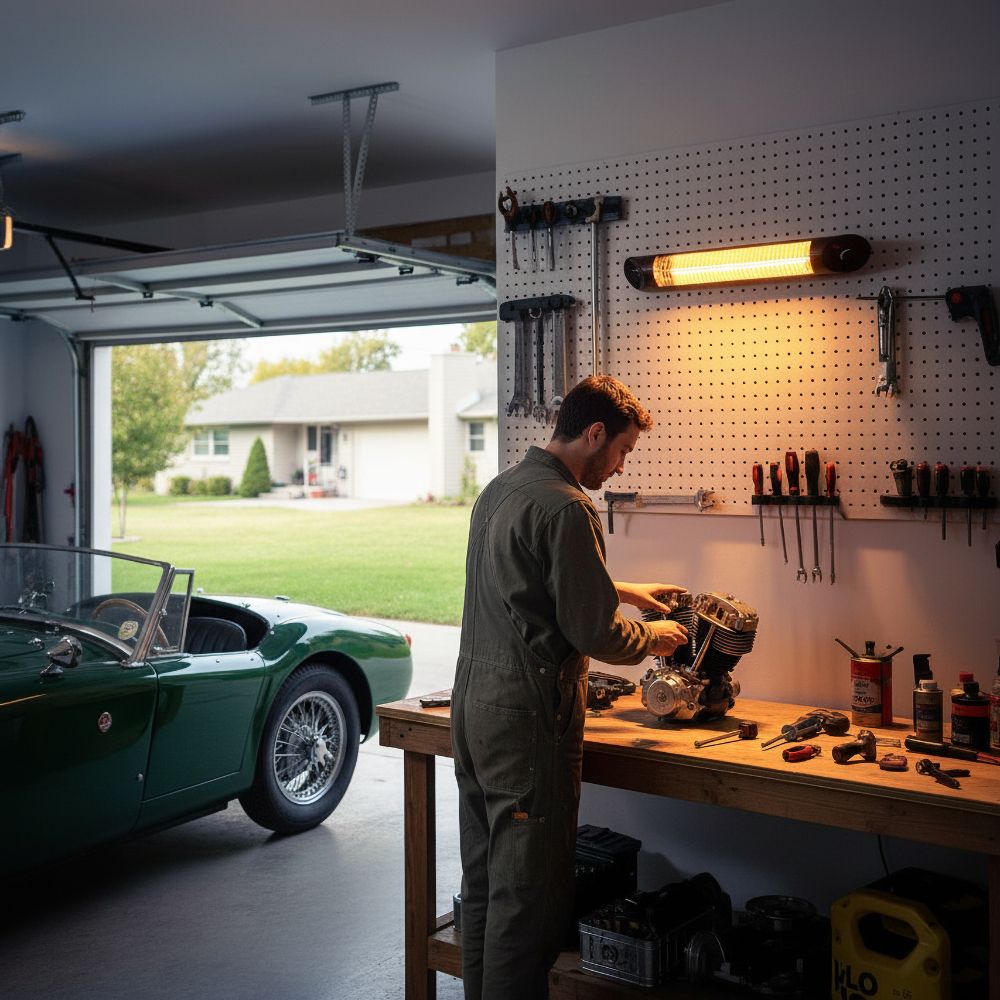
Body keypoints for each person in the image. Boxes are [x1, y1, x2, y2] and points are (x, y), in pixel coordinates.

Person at [451, 375, 688, 1000]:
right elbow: (595, 633)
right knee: (526, 902)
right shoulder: (569, 506)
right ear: (594, 434)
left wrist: (628, 591)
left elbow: (533, 584)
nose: (618, 465)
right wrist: (653, 636)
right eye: (622, 452)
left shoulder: (504, 488)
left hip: (474, 706)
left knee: (484, 884)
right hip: (526, 722)